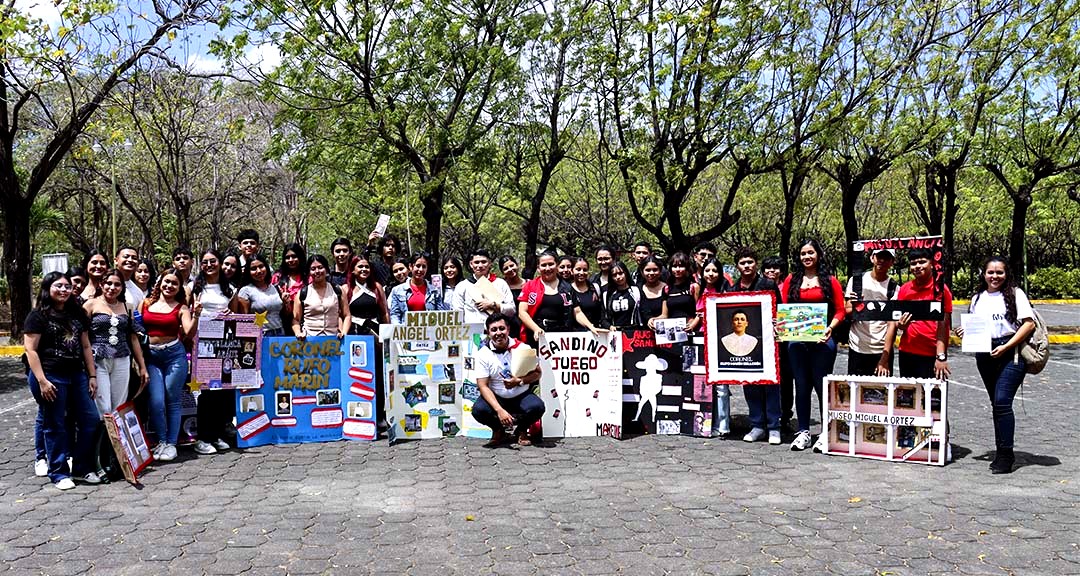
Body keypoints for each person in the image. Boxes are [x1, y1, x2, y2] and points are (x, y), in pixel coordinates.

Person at [954, 256, 1035, 474]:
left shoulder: (1016, 294)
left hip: (1011, 354)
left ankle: (1006, 455)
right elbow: (975, 326)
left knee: (1002, 402)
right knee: (996, 404)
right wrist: (963, 332)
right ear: (984, 274)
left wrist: (1007, 346)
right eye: (991, 272)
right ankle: (1001, 451)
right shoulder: (977, 298)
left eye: (1000, 272)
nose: (995, 276)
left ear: (1006, 274)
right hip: (984, 354)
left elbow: (1029, 324)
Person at [24, 272, 101, 489]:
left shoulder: (77, 314)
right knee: (55, 424)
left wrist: (92, 375)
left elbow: (86, 346)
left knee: (90, 420)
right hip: (50, 375)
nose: (64, 290)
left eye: (67, 286)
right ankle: (58, 472)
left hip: (77, 374)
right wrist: (42, 381)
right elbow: (30, 350)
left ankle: (81, 468)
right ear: (48, 288)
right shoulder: (37, 316)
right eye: (59, 286)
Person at [780, 239, 845, 451]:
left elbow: (840, 310)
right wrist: (780, 326)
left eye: (810, 253)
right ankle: (803, 431)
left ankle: (827, 432)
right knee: (801, 386)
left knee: (821, 386)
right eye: (803, 254)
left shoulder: (830, 280)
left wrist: (830, 328)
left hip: (822, 341)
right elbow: (783, 308)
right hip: (797, 342)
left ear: (818, 255)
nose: (806, 257)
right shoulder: (792, 280)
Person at [723, 247, 782, 444]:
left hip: (767, 344)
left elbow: (780, 311)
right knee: (750, 384)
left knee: (771, 385)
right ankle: (757, 425)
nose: (747, 266)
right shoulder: (732, 290)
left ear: (756, 263)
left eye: (750, 262)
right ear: (737, 266)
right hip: (745, 345)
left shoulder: (768, 284)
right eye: (742, 262)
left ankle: (774, 427)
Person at [140, 268, 197, 463]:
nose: (169, 286)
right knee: (156, 401)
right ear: (159, 282)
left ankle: (172, 444)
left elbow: (189, 332)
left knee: (173, 400)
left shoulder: (181, 308)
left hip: (174, 356)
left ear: (180, 287)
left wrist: (196, 315)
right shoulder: (146, 303)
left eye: (174, 283)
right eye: (166, 281)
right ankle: (161, 441)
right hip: (151, 357)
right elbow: (137, 328)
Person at [191, 248, 241, 456]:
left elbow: (238, 316)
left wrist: (231, 314)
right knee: (206, 393)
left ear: (220, 263)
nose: (209, 265)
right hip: (202, 345)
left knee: (223, 391)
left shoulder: (230, 289)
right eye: (205, 262)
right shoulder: (194, 287)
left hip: (224, 346)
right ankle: (203, 437)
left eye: (213, 261)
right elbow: (188, 313)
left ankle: (217, 433)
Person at [471, 313, 545, 447]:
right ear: (488, 332)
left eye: (501, 328)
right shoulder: (483, 354)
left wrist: (519, 381)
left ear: (508, 330)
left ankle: (521, 430)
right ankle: (498, 430)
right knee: (478, 410)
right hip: (497, 396)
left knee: (537, 407)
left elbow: (538, 374)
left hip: (520, 395)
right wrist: (499, 410)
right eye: (494, 330)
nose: (498, 333)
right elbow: (483, 386)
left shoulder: (523, 348)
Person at [84, 269, 148, 418]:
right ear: (101, 284)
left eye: (117, 285)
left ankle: (116, 440)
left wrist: (142, 366)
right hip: (98, 360)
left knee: (119, 405)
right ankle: (104, 438)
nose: (112, 288)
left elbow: (133, 338)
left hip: (122, 359)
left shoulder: (128, 306)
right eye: (108, 283)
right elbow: (83, 337)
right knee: (103, 405)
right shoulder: (90, 305)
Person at [881, 248, 953, 380]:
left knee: (931, 399)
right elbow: (898, 322)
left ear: (931, 263)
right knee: (909, 398)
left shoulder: (941, 290)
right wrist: (901, 325)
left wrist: (941, 356)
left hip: (931, 354)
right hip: (907, 352)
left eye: (922, 262)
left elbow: (944, 325)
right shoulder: (905, 289)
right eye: (913, 263)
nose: (917, 266)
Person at [844, 249, 898, 376]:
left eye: (887, 258)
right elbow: (848, 311)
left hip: (881, 350)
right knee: (855, 393)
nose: (882, 260)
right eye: (879, 256)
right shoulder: (856, 281)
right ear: (872, 258)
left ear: (892, 262)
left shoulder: (894, 288)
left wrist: (884, 359)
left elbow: (892, 324)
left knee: (881, 394)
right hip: (857, 346)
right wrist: (856, 304)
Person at [695, 257, 730, 437]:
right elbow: (695, 314)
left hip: (720, 341)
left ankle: (723, 425)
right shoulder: (698, 290)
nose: (710, 274)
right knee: (703, 385)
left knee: (721, 387)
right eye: (707, 270)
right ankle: (704, 424)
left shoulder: (726, 291)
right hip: (701, 339)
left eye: (714, 271)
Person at [761, 254, 793, 430]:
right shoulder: (760, 285)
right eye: (768, 267)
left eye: (776, 268)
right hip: (765, 337)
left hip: (785, 336)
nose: (772, 271)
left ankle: (786, 414)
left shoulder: (788, 286)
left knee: (786, 377)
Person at [518, 251, 574, 347]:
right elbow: (522, 312)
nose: (547, 268)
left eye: (551, 264)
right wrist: (536, 329)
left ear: (556, 265)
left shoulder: (568, 287)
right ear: (538, 268)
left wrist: (591, 326)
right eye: (543, 265)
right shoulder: (530, 286)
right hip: (536, 336)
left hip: (561, 337)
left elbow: (577, 312)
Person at [293, 254, 350, 337]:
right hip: (310, 340)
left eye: (320, 267)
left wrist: (344, 333)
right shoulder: (302, 293)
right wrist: (298, 333)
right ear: (309, 272)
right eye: (313, 269)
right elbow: (296, 319)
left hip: (334, 339)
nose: (317, 271)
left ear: (326, 269)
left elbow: (347, 315)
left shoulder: (338, 290)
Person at [453, 250, 516, 324]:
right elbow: (457, 314)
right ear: (471, 264)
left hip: (496, 332)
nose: (480, 266)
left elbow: (512, 310)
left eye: (483, 262)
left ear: (490, 263)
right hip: (473, 332)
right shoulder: (462, 286)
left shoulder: (500, 283)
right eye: (476, 262)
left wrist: (494, 305)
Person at [237, 253, 286, 336]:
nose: (259, 271)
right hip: (260, 335)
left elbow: (282, 313)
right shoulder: (245, 291)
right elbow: (243, 320)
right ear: (248, 272)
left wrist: (285, 302)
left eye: (261, 266)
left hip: (279, 332)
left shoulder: (275, 288)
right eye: (253, 268)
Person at [388, 253, 442, 324]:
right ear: (410, 267)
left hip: (429, 332)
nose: (420, 269)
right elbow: (395, 315)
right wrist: (399, 331)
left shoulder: (434, 291)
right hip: (406, 332)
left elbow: (440, 314)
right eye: (418, 266)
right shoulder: (397, 290)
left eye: (424, 267)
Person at [346, 255, 389, 335]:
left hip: (374, 331)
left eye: (367, 267)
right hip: (354, 332)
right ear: (353, 270)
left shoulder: (377, 287)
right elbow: (343, 315)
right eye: (360, 266)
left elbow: (384, 313)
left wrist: (388, 333)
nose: (364, 269)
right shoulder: (346, 289)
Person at [272, 243, 307, 329]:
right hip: (280, 323)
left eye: (294, 256)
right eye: (287, 257)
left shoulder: (308, 278)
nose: (291, 260)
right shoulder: (277, 278)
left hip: (304, 322)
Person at [602, 261, 641, 329]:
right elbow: (603, 318)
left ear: (625, 273)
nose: (618, 277)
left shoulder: (636, 291)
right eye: (614, 275)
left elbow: (643, 311)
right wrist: (610, 326)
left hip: (634, 332)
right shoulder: (607, 295)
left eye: (620, 273)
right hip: (615, 333)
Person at [569, 258, 604, 333]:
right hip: (575, 335)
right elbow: (577, 312)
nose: (581, 273)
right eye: (578, 269)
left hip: (597, 334)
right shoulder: (567, 290)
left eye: (585, 270)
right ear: (572, 271)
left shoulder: (596, 288)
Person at [639, 256, 668, 328]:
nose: (651, 273)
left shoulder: (668, 289)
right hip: (643, 335)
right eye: (648, 270)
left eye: (655, 270)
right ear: (642, 272)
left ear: (660, 271)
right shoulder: (637, 290)